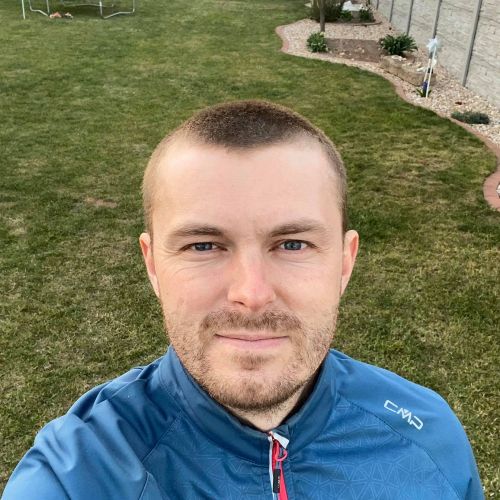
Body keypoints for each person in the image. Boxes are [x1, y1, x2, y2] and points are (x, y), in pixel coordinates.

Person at [3, 100, 483, 499]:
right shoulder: (75, 477)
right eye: (203, 246)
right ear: (152, 265)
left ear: (344, 262)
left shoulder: (430, 435)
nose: (251, 295)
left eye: (292, 244)